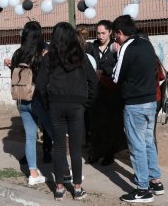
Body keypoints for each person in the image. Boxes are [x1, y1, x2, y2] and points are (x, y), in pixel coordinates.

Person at [36, 22, 98, 201]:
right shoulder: (81, 56)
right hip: (77, 106)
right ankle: (77, 188)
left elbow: (40, 85)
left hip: (56, 104)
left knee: (59, 147)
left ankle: (59, 188)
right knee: (76, 148)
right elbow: (93, 82)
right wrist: (86, 103)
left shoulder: (49, 58)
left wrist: (48, 103)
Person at [112, 15, 164, 203]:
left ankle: (143, 189)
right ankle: (155, 181)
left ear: (119, 32)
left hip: (135, 104)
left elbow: (116, 76)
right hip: (151, 101)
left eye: (115, 35)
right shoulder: (146, 44)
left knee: (137, 146)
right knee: (148, 142)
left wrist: (117, 55)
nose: (115, 39)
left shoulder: (127, 47)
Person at [10, 21, 48, 186]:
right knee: (55, 135)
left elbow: (13, 75)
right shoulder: (42, 54)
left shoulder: (17, 54)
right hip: (37, 99)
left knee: (30, 138)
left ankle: (33, 173)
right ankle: (66, 173)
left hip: (21, 99)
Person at [85, 20, 126, 166]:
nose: (100, 36)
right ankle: (95, 153)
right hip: (95, 91)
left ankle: (109, 154)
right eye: (98, 33)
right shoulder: (91, 47)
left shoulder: (116, 47)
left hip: (111, 91)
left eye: (103, 33)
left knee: (110, 125)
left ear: (110, 32)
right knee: (94, 124)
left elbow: (119, 67)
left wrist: (103, 71)